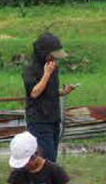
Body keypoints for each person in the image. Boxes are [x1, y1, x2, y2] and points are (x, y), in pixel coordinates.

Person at [22, 32, 78, 163]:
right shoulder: (30, 69)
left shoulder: (52, 67)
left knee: (52, 158)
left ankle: (51, 182)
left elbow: (49, 90)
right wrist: (47, 74)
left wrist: (63, 92)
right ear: (43, 53)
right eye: (52, 55)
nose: (54, 59)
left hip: (53, 118)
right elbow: (34, 93)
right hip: (39, 120)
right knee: (45, 159)